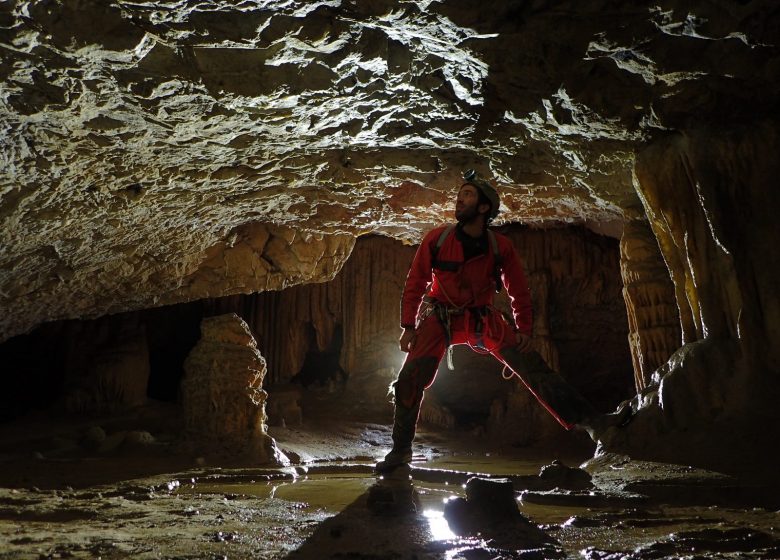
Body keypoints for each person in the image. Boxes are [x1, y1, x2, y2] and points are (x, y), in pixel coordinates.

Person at [376, 170, 632, 473]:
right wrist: (408, 325)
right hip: (440, 317)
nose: (460, 199)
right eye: (460, 194)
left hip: (481, 320)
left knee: (534, 367)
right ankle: (401, 450)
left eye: (468, 195)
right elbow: (416, 281)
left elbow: (518, 289)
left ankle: (593, 424)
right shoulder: (438, 238)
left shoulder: (500, 247)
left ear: (484, 208)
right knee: (409, 379)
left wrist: (524, 329)